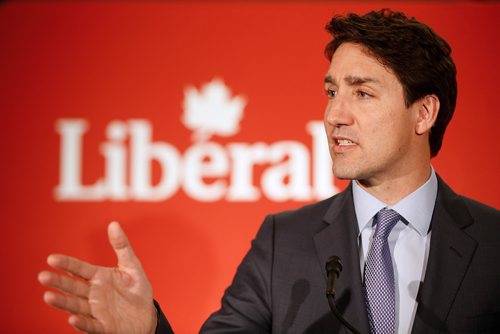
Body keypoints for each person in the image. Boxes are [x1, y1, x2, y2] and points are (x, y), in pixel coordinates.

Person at [38, 9, 500, 334]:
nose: (334, 114)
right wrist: (150, 331)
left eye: (362, 93)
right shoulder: (284, 242)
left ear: (423, 114)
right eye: (331, 91)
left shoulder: (494, 242)